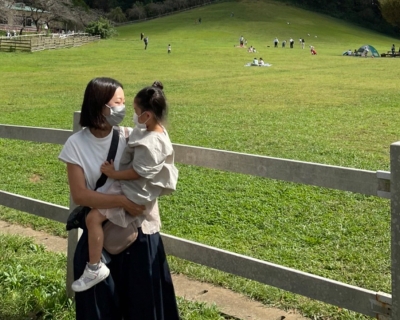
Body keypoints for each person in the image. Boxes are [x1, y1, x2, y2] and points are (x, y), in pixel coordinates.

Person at [58, 77, 180, 319]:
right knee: (100, 310)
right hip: (101, 240)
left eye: (125, 102)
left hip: (140, 233)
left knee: (145, 308)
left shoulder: (131, 136)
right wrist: (122, 202)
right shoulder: (76, 144)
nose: (122, 108)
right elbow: (80, 195)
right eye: (118, 102)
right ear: (99, 105)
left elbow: (154, 166)